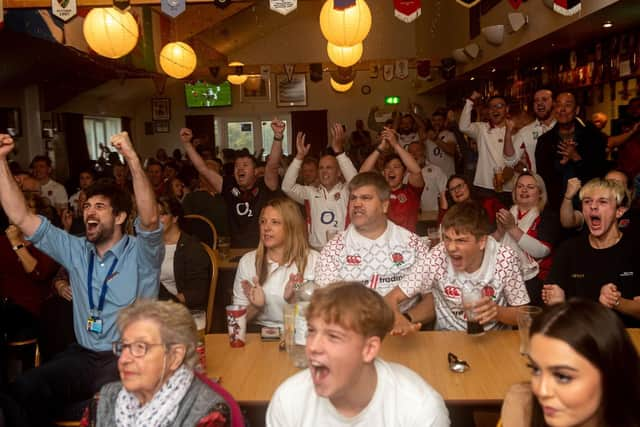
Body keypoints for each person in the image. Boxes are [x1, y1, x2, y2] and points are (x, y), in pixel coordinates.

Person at [0, 131, 163, 426]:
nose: (89, 211)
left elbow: (150, 220)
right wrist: (0, 161)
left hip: (128, 358)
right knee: (20, 392)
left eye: (99, 207)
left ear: (121, 217)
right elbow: (21, 216)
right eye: (87, 206)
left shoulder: (143, 254)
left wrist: (132, 159)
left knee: (109, 409)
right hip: (84, 357)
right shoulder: (75, 249)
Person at [266, 282, 450, 427]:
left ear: (369, 349)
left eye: (333, 336)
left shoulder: (420, 409)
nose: (313, 347)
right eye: (311, 331)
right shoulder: (288, 400)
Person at [84, 299, 242, 427]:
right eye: (124, 346)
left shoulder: (208, 413)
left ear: (175, 356)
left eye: (140, 347)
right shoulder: (103, 400)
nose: (124, 359)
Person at [385, 201, 529, 334]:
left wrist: (497, 312)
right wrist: (400, 320)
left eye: (461, 240)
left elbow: (524, 315)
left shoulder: (505, 258)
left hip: (493, 339)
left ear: (482, 242)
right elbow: (391, 298)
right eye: (447, 238)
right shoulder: (438, 256)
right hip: (448, 338)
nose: (451, 247)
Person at [314, 172, 431, 329]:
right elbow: (327, 302)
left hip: (404, 336)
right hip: (354, 334)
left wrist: (405, 320)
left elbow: (432, 298)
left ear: (385, 205)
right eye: (353, 198)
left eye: (366, 198)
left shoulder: (412, 243)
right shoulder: (333, 249)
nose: (357, 204)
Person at [500, 299, 640, 427]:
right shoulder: (521, 407)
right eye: (536, 370)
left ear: (611, 375)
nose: (541, 391)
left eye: (563, 377)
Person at [542, 178, 640, 327]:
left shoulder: (635, 250)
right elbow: (553, 304)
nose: (593, 206)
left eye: (602, 202)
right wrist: (557, 303)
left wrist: (617, 302)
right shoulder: (568, 249)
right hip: (579, 337)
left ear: (619, 211)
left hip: (624, 339)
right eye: (587, 201)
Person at [181, 121, 283, 248]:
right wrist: (187, 144)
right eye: (237, 166)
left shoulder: (266, 185)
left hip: (263, 248)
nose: (240, 169)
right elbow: (203, 169)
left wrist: (278, 136)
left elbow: (272, 166)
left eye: (245, 165)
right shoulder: (229, 186)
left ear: (256, 171)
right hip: (236, 250)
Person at [232, 197, 319, 329]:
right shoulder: (248, 261)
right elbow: (236, 324)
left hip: (300, 332)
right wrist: (256, 307)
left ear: (291, 226)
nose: (266, 228)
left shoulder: (314, 260)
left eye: (275, 222)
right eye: (263, 221)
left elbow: (327, 318)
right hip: (259, 335)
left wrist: (294, 301)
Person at [281, 125, 357, 249]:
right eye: (321, 168)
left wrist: (339, 152)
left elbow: (357, 182)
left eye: (329, 168)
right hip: (316, 251)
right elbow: (287, 187)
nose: (324, 171)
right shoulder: (310, 193)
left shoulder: (346, 190)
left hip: (343, 249)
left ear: (339, 172)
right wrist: (299, 157)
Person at [493, 172, 559, 306]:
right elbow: (490, 246)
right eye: (520, 186)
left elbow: (542, 250)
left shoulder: (547, 216)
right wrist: (499, 232)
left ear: (540, 193)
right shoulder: (507, 212)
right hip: (502, 275)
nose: (524, 190)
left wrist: (512, 228)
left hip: (534, 280)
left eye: (530, 187)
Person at [535, 92, 608, 211]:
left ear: (577, 110)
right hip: (556, 206)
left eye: (568, 105)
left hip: (589, 204)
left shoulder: (593, 136)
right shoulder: (545, 141)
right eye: (558, 105)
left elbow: (600, 172)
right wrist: (560, 165)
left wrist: (576, 158)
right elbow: (543, 178)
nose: (562, 109)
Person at [360, 127, 424, 232]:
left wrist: (395, 144)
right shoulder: (377, 192)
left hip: (406, 245)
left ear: (404, 172)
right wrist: (381, 147)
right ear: (383, 172)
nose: (391, 170)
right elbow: (362, 174)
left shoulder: (412, 191)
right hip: (383, 245)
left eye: (396, 167)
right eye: (387, 167)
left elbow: (416, 171)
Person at [459, 92, 514, 204]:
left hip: (509, 187)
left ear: (507, 109)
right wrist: (470, 101)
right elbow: (463, 127)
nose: (495, 110)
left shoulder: (514, 129)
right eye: (492, 107)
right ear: (488, 111)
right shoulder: (482, 128)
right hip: (484, 186)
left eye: (499, 106)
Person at [157, 197, 211, 311]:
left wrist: (166, 304)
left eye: (161, 214)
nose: (156, 219)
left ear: (175, 218)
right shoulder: (149, 246)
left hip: (179, 310)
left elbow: (198, 293)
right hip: (152, 307)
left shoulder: (191, 247)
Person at [503, 89, 556, 174]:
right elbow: (510, 161)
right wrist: (508, 133)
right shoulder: (525, 132)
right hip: (537, 184)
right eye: (536, 100)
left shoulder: (565, 127)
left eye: (544, 99)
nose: (539, 103)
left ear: (554, 103)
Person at [438, 174, 504, 227]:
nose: (457, 191)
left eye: (459, 186)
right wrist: (443, 205)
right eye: (452, 189)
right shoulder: (453, 212)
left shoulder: (489, 203)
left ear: (468, 186)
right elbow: (442, 232)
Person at [406, 140, 447, 212]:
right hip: (410, 216)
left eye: (417, 150)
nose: (414, 154)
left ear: (424, 152)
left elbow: (444, 195)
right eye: (411, 152)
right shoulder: (404, 173)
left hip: (432, 215)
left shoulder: (436, 170)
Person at [426, 110, 457, 178]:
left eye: (439, 120)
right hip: (432, 176)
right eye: (434, 120)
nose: (436, 122)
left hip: (447, 175)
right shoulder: (427, 136)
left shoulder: (449, 134)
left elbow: (451, 151)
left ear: (445, 121)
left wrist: (435, 139)